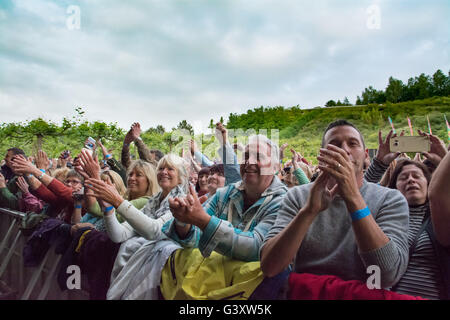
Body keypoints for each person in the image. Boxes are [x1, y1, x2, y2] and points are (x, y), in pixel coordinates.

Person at [260, 120, 409, 289]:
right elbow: (269, 267)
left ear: (366, 155)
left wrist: (353, 197)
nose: (344, 150)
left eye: (353, 144)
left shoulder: (390, 199)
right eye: (334, 144)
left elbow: (388, 274)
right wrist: (308, 212)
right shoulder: (298, 196)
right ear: (322, 154)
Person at [165, 134, 288, 262]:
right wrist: (183, 221)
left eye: (259, 157)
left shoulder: (284, 202)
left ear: (275, 167)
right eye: (245, 156)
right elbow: (195, 236)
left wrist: (203, 221)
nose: (249, 162)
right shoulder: (224, 194)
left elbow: (259, 247)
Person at [84, 153, 188, 299]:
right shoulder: (153, 202)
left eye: (170, 169)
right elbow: (119, 235)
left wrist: (117, 201)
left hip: (160, 279)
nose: (164, 172)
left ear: (181, 177)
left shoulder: (182, 202)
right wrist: (108, 210)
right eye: (161, 168)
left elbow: (154, 231)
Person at [387, 158, 449, 299]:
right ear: (394, 186)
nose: (411, 180)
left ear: (429, 183)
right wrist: (379, 163)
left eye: (417, 176)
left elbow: (440, 194)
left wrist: (443, 157)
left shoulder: (441, 217)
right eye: (403, 177)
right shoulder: (383, 217)